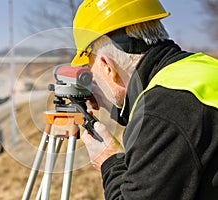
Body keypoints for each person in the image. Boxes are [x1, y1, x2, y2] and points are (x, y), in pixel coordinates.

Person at [71, 0, 218, 199]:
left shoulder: (163, 113)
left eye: (92, 71)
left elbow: (160, 119)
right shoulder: (200, 69)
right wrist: (107, 102)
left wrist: (109, 161)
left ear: (107, 66)